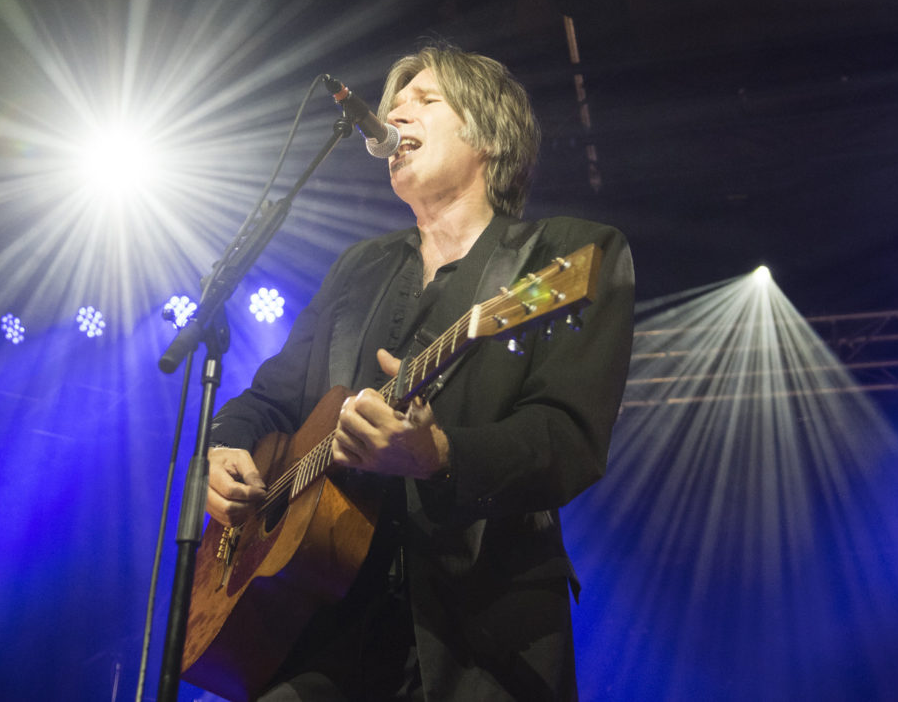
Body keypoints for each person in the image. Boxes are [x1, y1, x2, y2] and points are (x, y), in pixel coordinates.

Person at [204, 44, 635, 701]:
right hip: (319, 633)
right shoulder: (358, 269)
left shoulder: (568, 255)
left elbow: (566, 439)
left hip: (476, 642)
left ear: (489, 135)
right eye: (393, 104)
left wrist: (438, 453)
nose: (396, 112)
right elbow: (269, 399)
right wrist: (223, 447)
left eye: (426, 100)